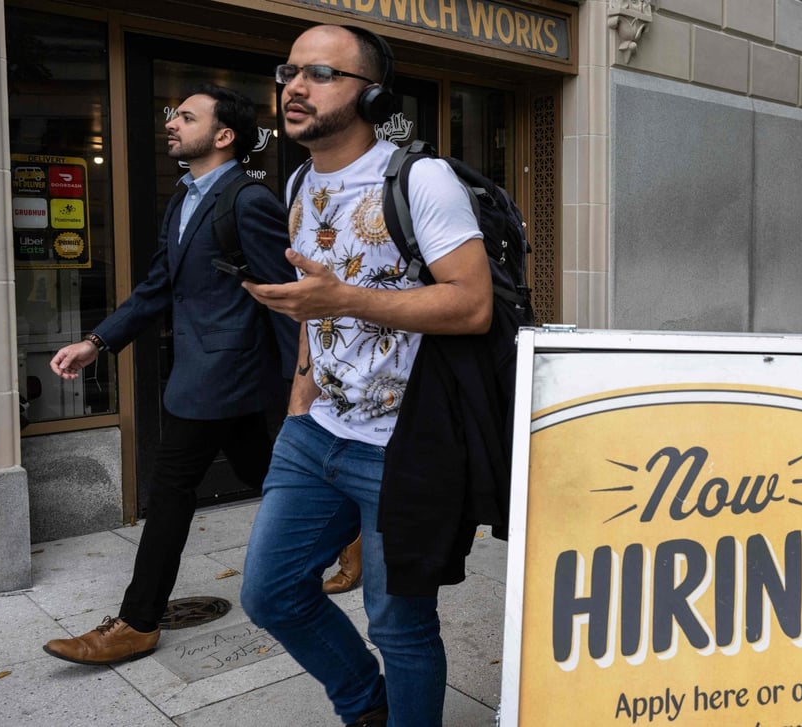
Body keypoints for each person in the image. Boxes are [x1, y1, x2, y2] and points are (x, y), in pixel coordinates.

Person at [238, 24, 492, 727]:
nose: (295, 86)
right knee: (270, 592)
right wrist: (300, 389)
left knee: (400, 626)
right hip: (314, 434)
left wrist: (341, 299)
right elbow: (312, 305)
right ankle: (365, 706)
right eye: (289, 70)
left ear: (370, 94)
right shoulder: (295, 180)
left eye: (320, 74)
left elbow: (472, 304)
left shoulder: (418, 178)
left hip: (403, 447)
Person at [42, 84, 298, 666]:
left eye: (186, 116)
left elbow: (284, 300)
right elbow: (159, 285)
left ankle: (137, 621)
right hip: (202, 371)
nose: (172, 124)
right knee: (266, 473)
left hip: (222, 375)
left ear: (224, 135)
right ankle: (348, 536)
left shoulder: (248, 200)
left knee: (170, 489)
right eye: (173, 115)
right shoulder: (182, 196)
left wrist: (298, 386)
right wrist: (96, 341)